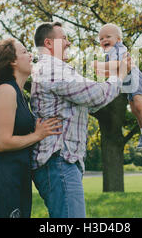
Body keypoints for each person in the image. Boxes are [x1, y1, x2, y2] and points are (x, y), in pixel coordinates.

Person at [30, 21, 131, 218]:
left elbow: (90, 102)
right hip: (59, 160)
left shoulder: (57, 68)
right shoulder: (51, 68)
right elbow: (96, 95)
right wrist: (119, 76)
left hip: (62, 161)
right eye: (64, 38)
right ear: (49, 43)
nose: (68, 43)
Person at [0, 38, 62, 218]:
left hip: (15, 172)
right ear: (12, 61)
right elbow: (2, 142)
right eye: (24, 52)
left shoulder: (19, 93)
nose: (31, 55)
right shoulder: (6, 90)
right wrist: (38, 135)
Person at [93, 23, 142, 149]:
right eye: (101, 39)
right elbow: (114, 71)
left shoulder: (119, 49)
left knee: (139, 105)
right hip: (129, 84)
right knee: (134, 109)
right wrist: (103, 72)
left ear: (118, 40)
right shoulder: (108, 56)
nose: (104, 40)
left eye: (108, 37)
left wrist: (99, 65)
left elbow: (119, 63)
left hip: (136, 79)